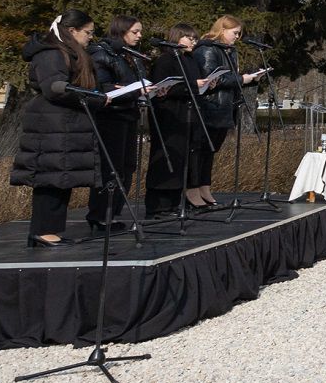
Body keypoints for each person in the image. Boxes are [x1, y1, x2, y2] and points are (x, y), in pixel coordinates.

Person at [11, 10, 106, 248]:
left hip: (66, 124)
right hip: (52, 124)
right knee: (51, 177)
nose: (91, 38)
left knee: (62, 177)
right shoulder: (51, 53)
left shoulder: (70, 52)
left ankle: (50, 229)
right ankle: (43, 231)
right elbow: (54, 88)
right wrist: (93, 98)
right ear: (72, 31)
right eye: (88, 32)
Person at [87, 15, 151, 232]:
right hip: (110, 117)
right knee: (111, 168)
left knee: (127, 166)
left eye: (140, 31)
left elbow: (136, 81)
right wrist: (130, 90)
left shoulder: (131, 55)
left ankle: (114, 212)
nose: (140, 36)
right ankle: (101, 214)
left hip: (129, 114)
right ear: (121, 31)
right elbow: (101, 88)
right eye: (135, 32)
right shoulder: (102, 53)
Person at [192, 16, 262, 206]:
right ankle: (193, 190)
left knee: (211, 151)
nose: (237, 37)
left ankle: (204, 187)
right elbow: (211, 80)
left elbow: (228, 78)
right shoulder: (208, 49)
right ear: (222, 30)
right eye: (235, 33)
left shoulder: (229, 51)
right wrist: (241, 79)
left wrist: (249, 80)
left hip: (224, 107)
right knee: (200, 151)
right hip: (209, 107)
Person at [145, 23, 205, 214]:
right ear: (177, 37)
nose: (193, 42)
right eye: (189, 37)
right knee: (165, 158)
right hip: (168, 114)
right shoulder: (166, 60)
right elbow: (162, 88)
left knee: (181, 159)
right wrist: (193, 86)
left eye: (195, 38)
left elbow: (193, 83)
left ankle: (173, 201)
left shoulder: (190, 59)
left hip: (187, 115)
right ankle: (158, 204)